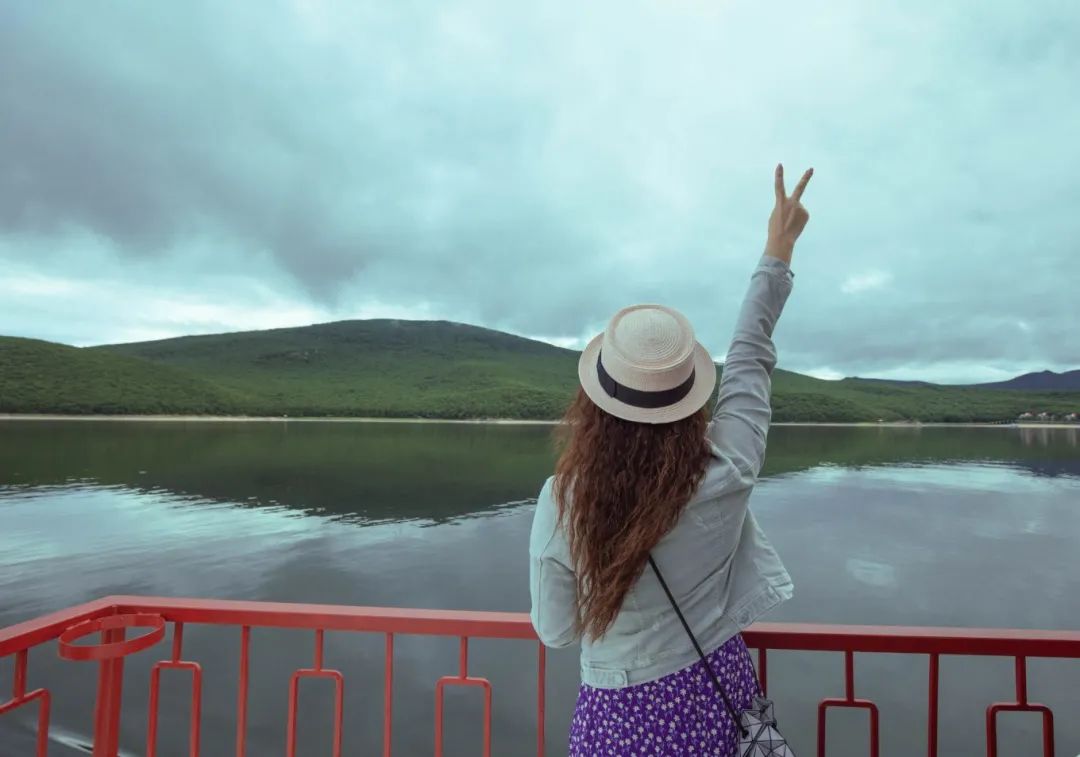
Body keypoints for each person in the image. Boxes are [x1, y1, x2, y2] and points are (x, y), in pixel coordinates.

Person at [529, 164, 812, 755]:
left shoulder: (564, 499)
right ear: (690, 403)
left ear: (595, 405)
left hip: (618, 719)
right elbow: (750, 360)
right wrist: (776, 251)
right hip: (718, 698)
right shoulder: (726, 472)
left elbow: (557, 631)